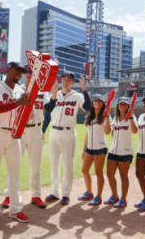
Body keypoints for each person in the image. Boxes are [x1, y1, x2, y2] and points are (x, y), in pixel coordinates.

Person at [1, 66, 54, 209]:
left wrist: (43, 129)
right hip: (21, 130)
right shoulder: (18, 89)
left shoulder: (42, 91)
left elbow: (49, 108)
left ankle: (36, 195)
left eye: (33, 72)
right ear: (24, 75)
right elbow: (11, 108)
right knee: (14, 164)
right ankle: (9, 195)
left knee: (35, 166)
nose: (30, 75)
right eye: (28, 72)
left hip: (36, 130)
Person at [0, 62, 31, 226]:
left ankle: (15, 209)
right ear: (9, 70)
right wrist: (19, 102)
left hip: (14, 134)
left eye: (21, 72)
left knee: (15, 173)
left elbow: (24, 112)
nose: (19, 74)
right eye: (17, 71)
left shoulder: (20, 90)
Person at [44, 74, 90, 205]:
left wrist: (84, 89)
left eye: (68, 80)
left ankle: (65, 194)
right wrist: (53, 95)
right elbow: (47, 109)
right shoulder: (54, 93)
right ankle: (55, 192)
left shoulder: (77, 96)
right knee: (54, 164)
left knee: (67, 164)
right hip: (54, 132)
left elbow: (87, 107)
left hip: (68, 133)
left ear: (72, 82)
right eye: (63, 79)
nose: (65, 81)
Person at [78, 94, 111, 206]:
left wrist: (107, 117)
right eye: (95, 101)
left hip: (100, 148)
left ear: (103, 104)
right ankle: (89, 193)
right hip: (90, 148)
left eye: (100, 101)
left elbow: (107, 132)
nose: (97, 103)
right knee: (84, 170)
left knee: (98, 172)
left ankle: (98, 197)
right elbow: (87, 134)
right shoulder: (89, 117)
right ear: (93, 103)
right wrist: (84, 149)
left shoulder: (105, 116)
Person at [104, 97, 138, 208]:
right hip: (113, 151)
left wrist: (132, 117)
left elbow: (135, 131)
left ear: (128, 106)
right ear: (118, 106)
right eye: (120, 104)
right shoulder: (115, 119)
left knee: (123, 176)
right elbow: (108, 132)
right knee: (109, 174)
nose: (122, 106)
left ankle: (123, 199)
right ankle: (115, 196)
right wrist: (107, 117)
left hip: (125, 152)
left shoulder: (131, 118)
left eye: (125, 104)